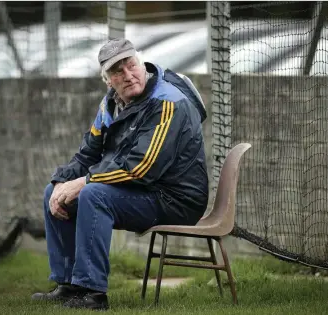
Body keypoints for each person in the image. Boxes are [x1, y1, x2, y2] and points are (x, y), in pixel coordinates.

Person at [31, 38, 209, 310]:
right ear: (108, 81)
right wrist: (60, 183)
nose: (128, 75)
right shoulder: (110, 105)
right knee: (53, 192)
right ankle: (67, 286)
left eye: (131, 65)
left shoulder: (168, 103)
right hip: (145, 191)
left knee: (93, 193)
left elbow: (141, 167)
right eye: (118, 72)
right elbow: (87, 154)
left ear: (141, 63)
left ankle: (92, 293)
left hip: (176, 198)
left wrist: (83, 182)